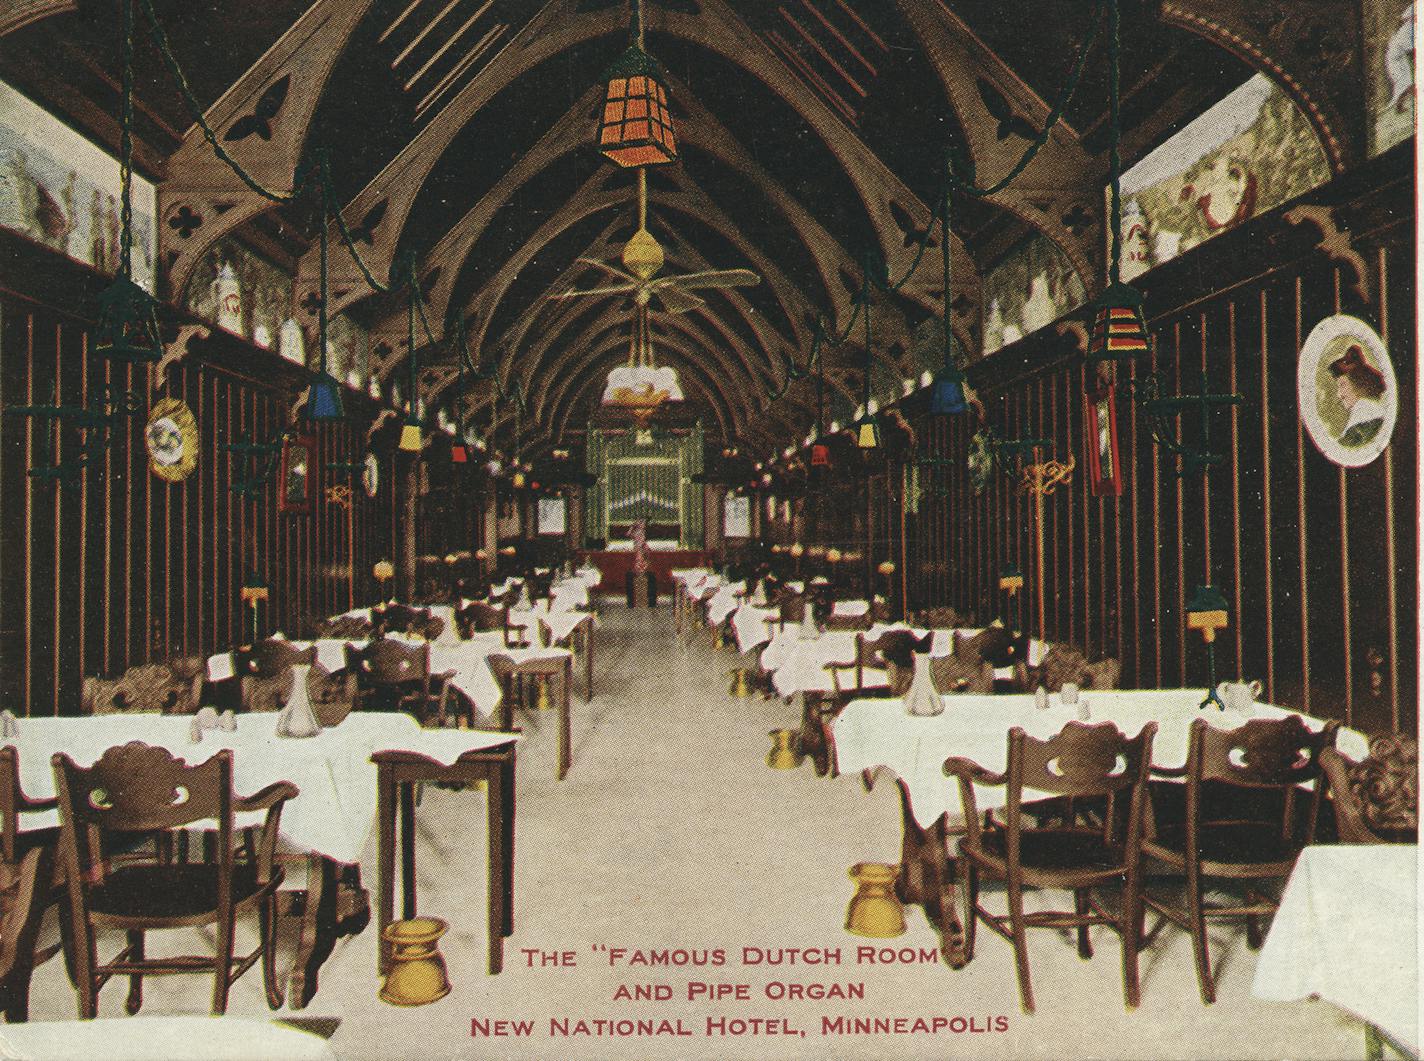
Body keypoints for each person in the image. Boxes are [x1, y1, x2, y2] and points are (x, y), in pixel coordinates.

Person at [1327, 344, 1388, 447]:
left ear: (1359, 384)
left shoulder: (1360, 423)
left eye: (1343, 385)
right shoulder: (1377, 414)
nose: (1339, 395)